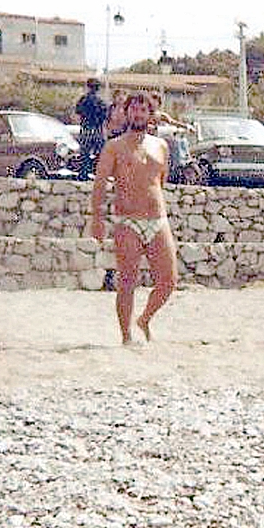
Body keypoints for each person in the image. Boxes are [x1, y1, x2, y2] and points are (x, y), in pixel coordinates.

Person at [90, 93, 179, 344]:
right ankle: (126, 335)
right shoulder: (114, 146)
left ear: (150, 115)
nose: (138, 115)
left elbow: (160, 181)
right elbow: (100, 184)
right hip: (127, 221)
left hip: (157, 219)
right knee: (128, 280)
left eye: (143, 110)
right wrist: (97, 218)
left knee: (168, 281)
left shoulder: (161, 146)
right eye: (133, 110)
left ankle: (145, 319)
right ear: (126, 113)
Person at [75, 78, 108, 180]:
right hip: (98, 130)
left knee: (84, 153)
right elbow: (105, 116)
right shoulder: (101, 102)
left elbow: (78, 112)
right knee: (100, 154)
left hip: (86, 129)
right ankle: (99, 174)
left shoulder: (83, 100)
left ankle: (83, 173)